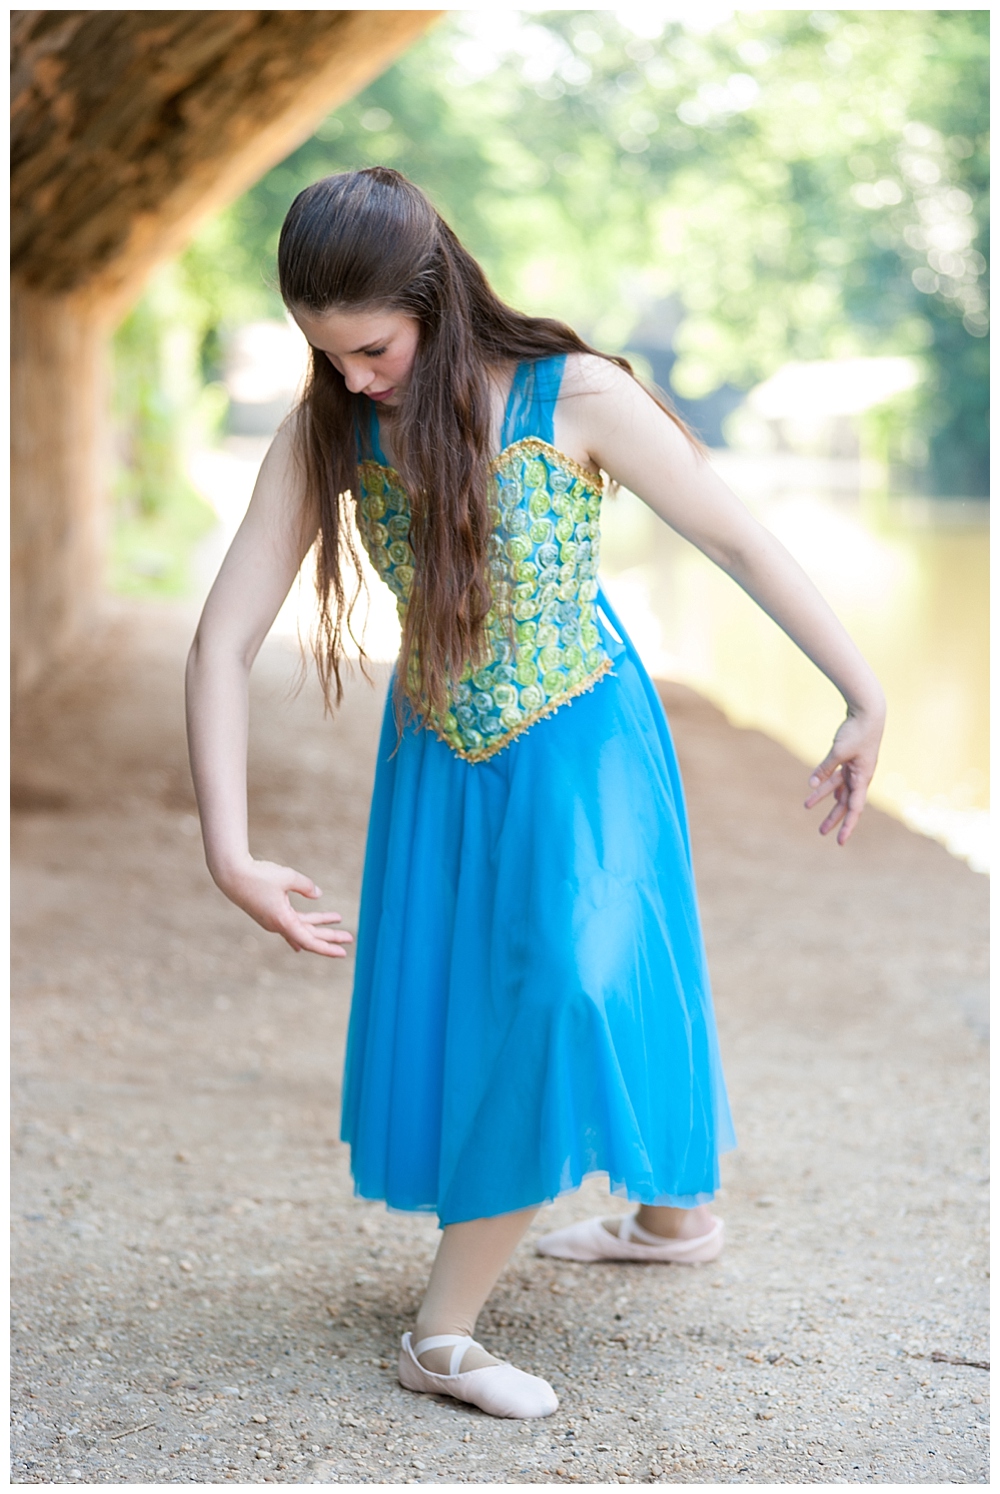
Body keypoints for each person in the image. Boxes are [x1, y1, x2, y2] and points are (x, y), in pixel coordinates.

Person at [185, 167, 885, 1420]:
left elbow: (733, 535)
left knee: (579, 975)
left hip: (590, 738)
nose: (351, 376)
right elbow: (221, 641)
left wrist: (860, 692)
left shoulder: (582, 397)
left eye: (371, 348)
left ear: (435, 299)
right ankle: (671, 1216)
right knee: (529, 989)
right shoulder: (333, 431)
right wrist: (228, 853)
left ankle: (438, 1331)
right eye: (326, 354)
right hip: (440, 764)